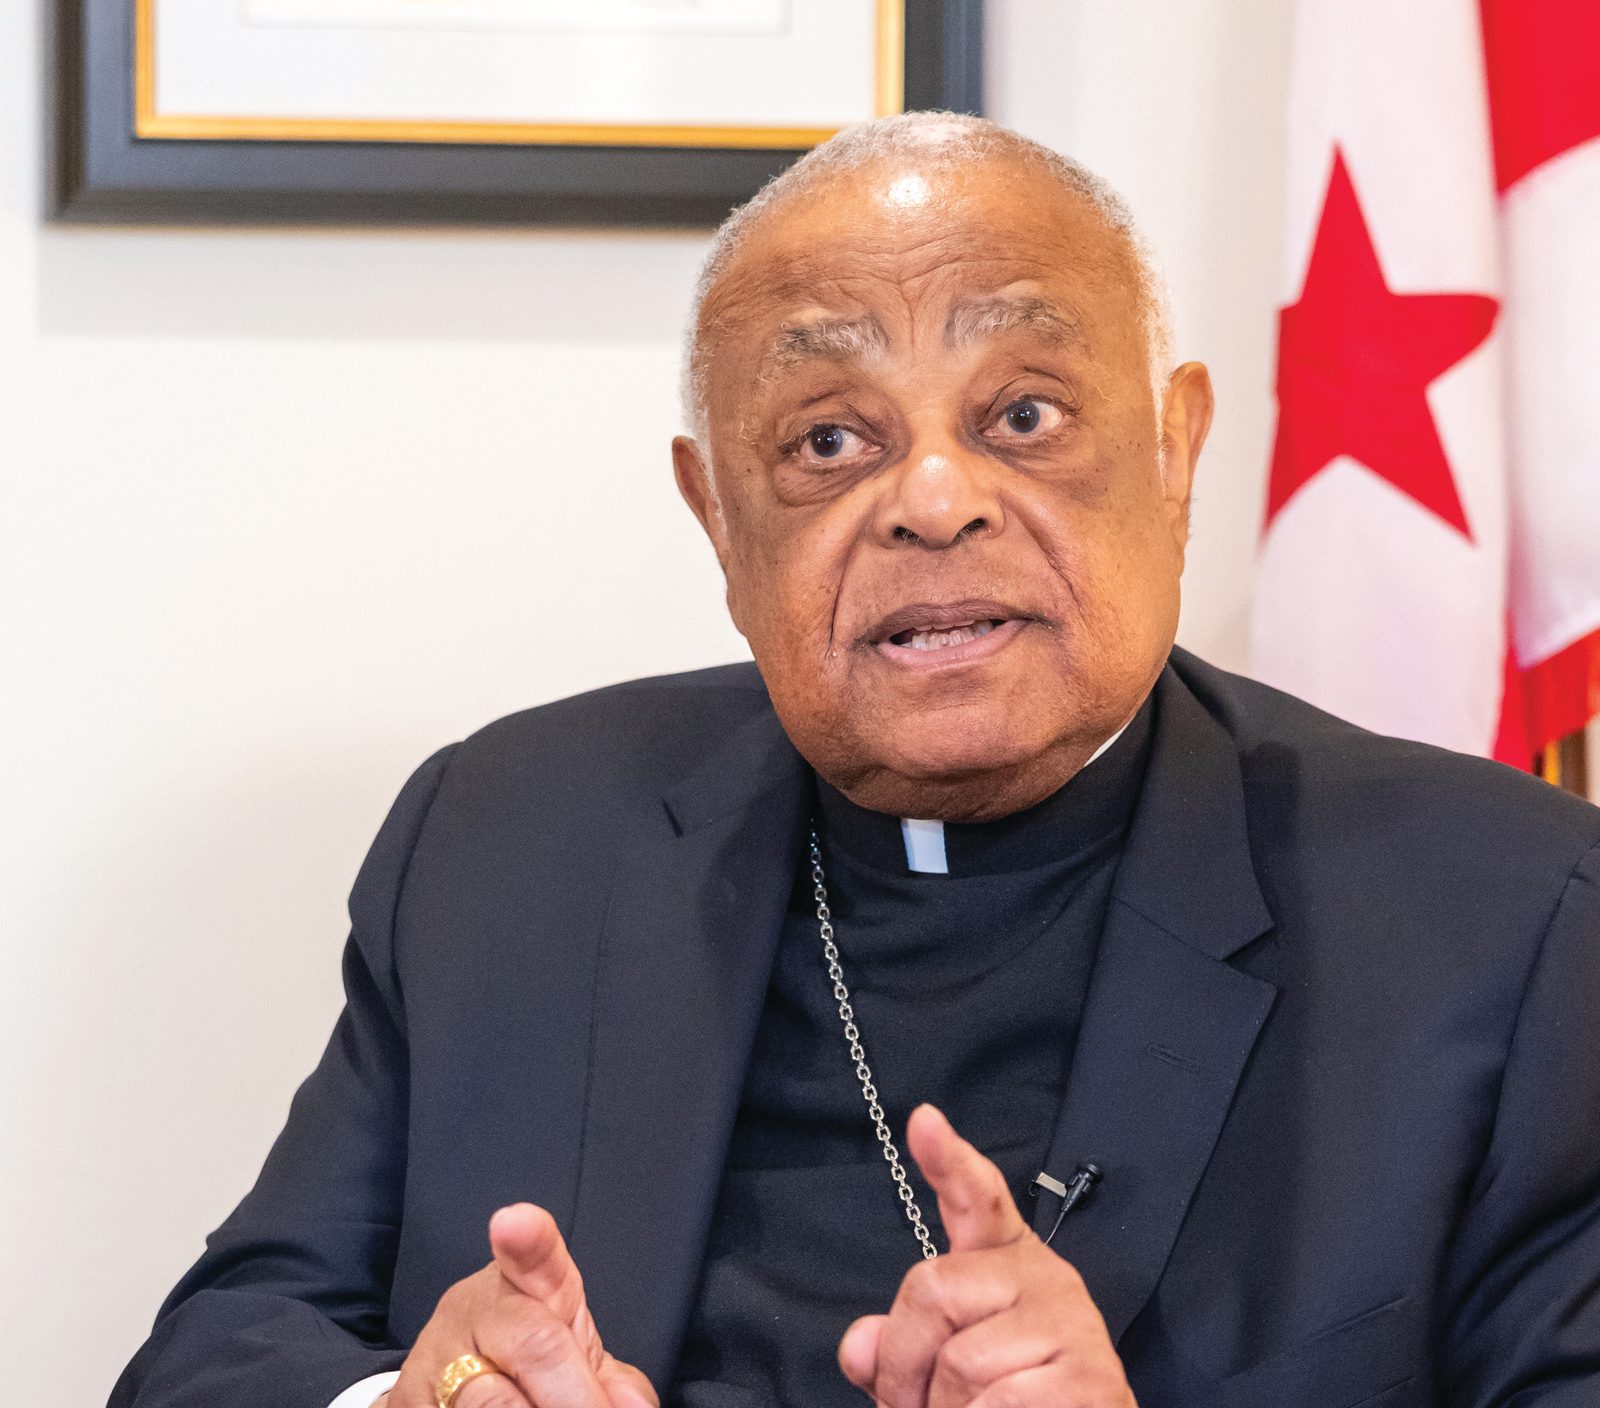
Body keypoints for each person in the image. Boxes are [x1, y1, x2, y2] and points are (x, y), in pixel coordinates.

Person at [111, 114, 1600, 1408]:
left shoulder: (1506, 917)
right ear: (715, 517)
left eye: (1023, 414)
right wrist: (411, 1398)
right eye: (829, 441)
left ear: (1175, 448)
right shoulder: (512, 834)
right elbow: (224, 1346)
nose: (934, 501)